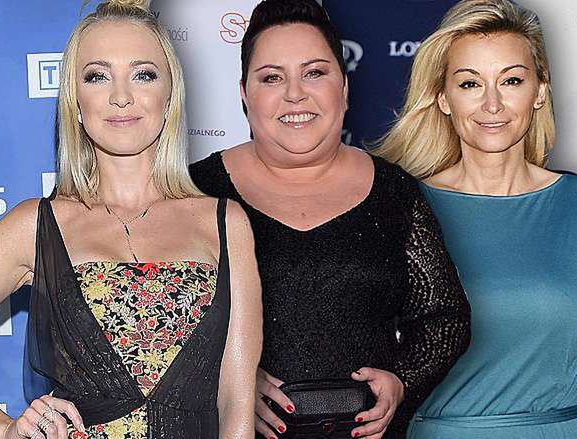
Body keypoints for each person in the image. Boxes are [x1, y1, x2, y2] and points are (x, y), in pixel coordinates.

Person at [188, 0, 471, 438]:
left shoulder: (394, 190)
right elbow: (156, 323)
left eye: (314, 73)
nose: (294, 94)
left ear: (344, 86)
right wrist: (230, 382)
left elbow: (444, 316)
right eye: (272, 77)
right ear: (244, 93)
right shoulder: (196, 191)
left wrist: (402, 382)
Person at [376, 1, 577, 438]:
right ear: (443, 98)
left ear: (540, 91)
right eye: (470, 83)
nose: (493, 104)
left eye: (512, 81)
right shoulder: (403, 209)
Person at [0, 1, 262, 438]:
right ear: (75, 101)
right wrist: (5, 429)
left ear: (169, 96)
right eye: (97, 76)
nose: (121, 96)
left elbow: (236, 404)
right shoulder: (37, 226)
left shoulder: (224, 223)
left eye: (143, 74)